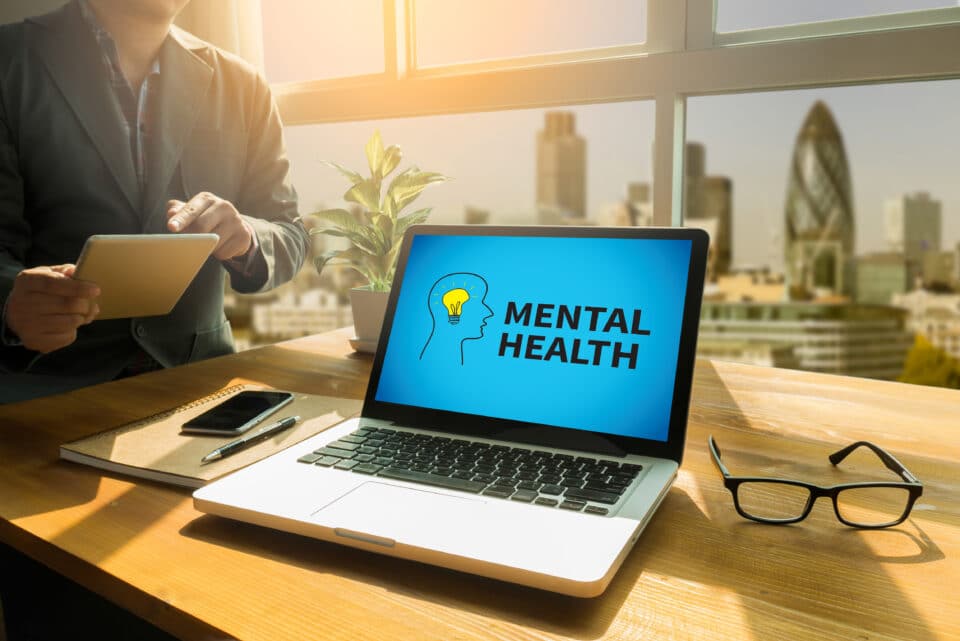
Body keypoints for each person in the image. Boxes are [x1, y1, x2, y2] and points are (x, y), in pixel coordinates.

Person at [0, 0, 308, 404]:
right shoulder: (10, 61)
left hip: (202, 390)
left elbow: (289, 232)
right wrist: (10, 304)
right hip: (45, 394)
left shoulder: (243, 85)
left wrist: (247, 237)